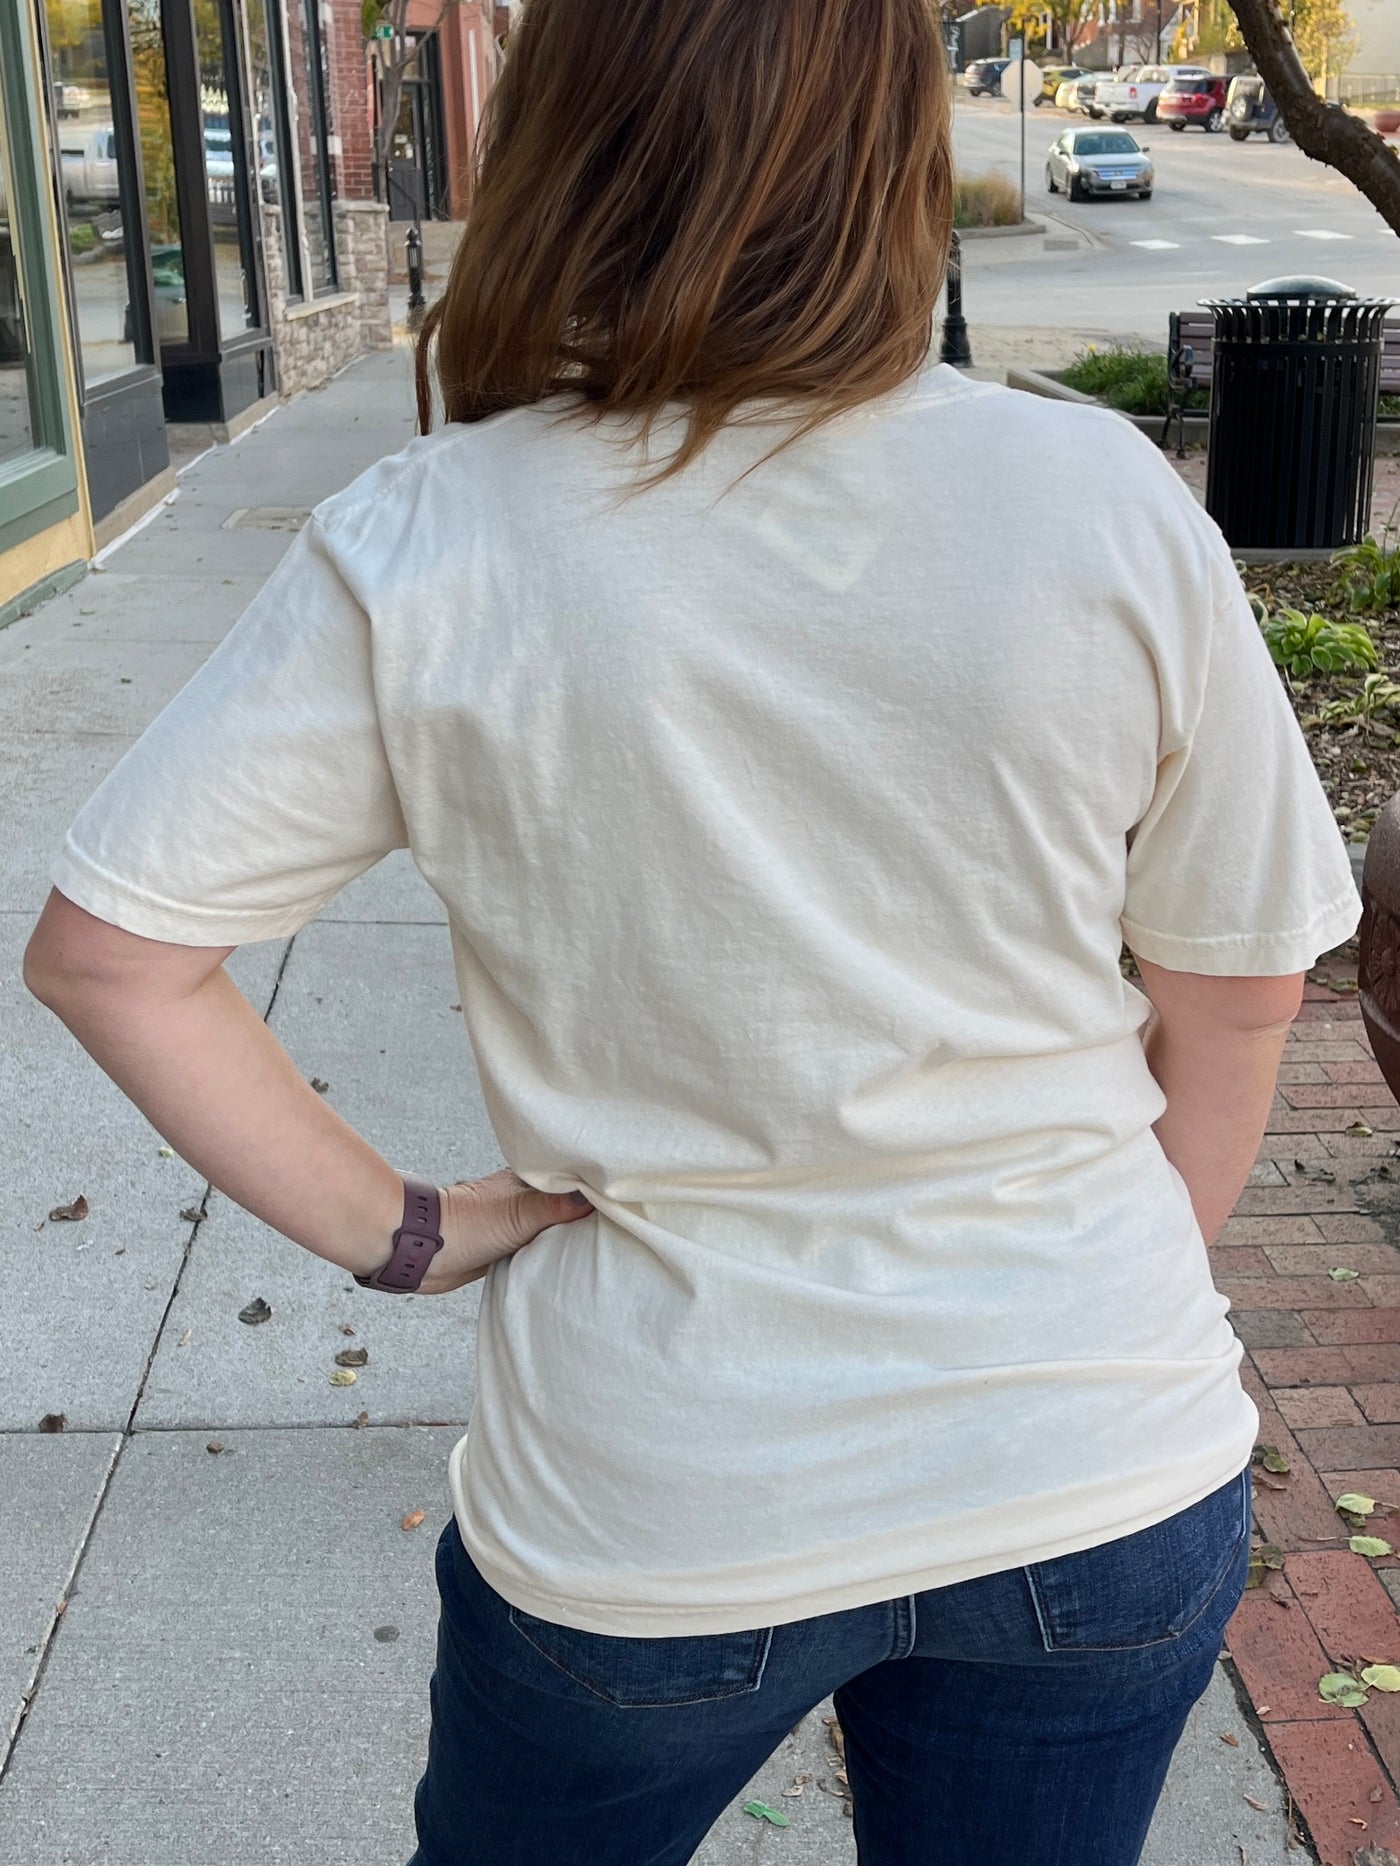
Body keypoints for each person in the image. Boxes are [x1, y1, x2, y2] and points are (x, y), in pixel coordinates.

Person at [23, 0, 1360, 1859]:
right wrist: (1085, 1289)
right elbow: (1240, 997)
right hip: (1098, 1461)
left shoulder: (436, 536)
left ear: (563, 147)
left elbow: (113, 953)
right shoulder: (1104, 496)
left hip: (660, 1498)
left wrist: (410, 1234)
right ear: (891, 149)